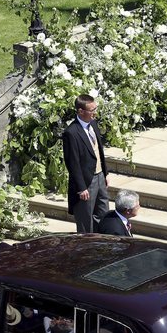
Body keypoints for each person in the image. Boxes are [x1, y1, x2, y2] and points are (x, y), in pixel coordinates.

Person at [62, 94, 110, 233]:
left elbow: (99, 151)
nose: (95, 112)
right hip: (86, 182)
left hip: (100, 177)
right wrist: (81, 187)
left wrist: (105, 173)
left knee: (103, 213)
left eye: (96, 108)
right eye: (92, 110)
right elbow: (72, 162)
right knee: (86, 220)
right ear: (81, 111)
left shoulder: (93, 124)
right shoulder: (71, 133)